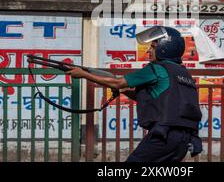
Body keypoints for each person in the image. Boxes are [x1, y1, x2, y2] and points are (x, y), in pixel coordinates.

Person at [66, 26, 203, 162]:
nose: (149, 50)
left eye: (153, 47)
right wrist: (124, 92)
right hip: (184, 139)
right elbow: (156, 99)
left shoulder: (157, 68)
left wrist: (83, 74)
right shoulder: (183, 73)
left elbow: (117, 83)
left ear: (164, 48)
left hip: (164, 136)